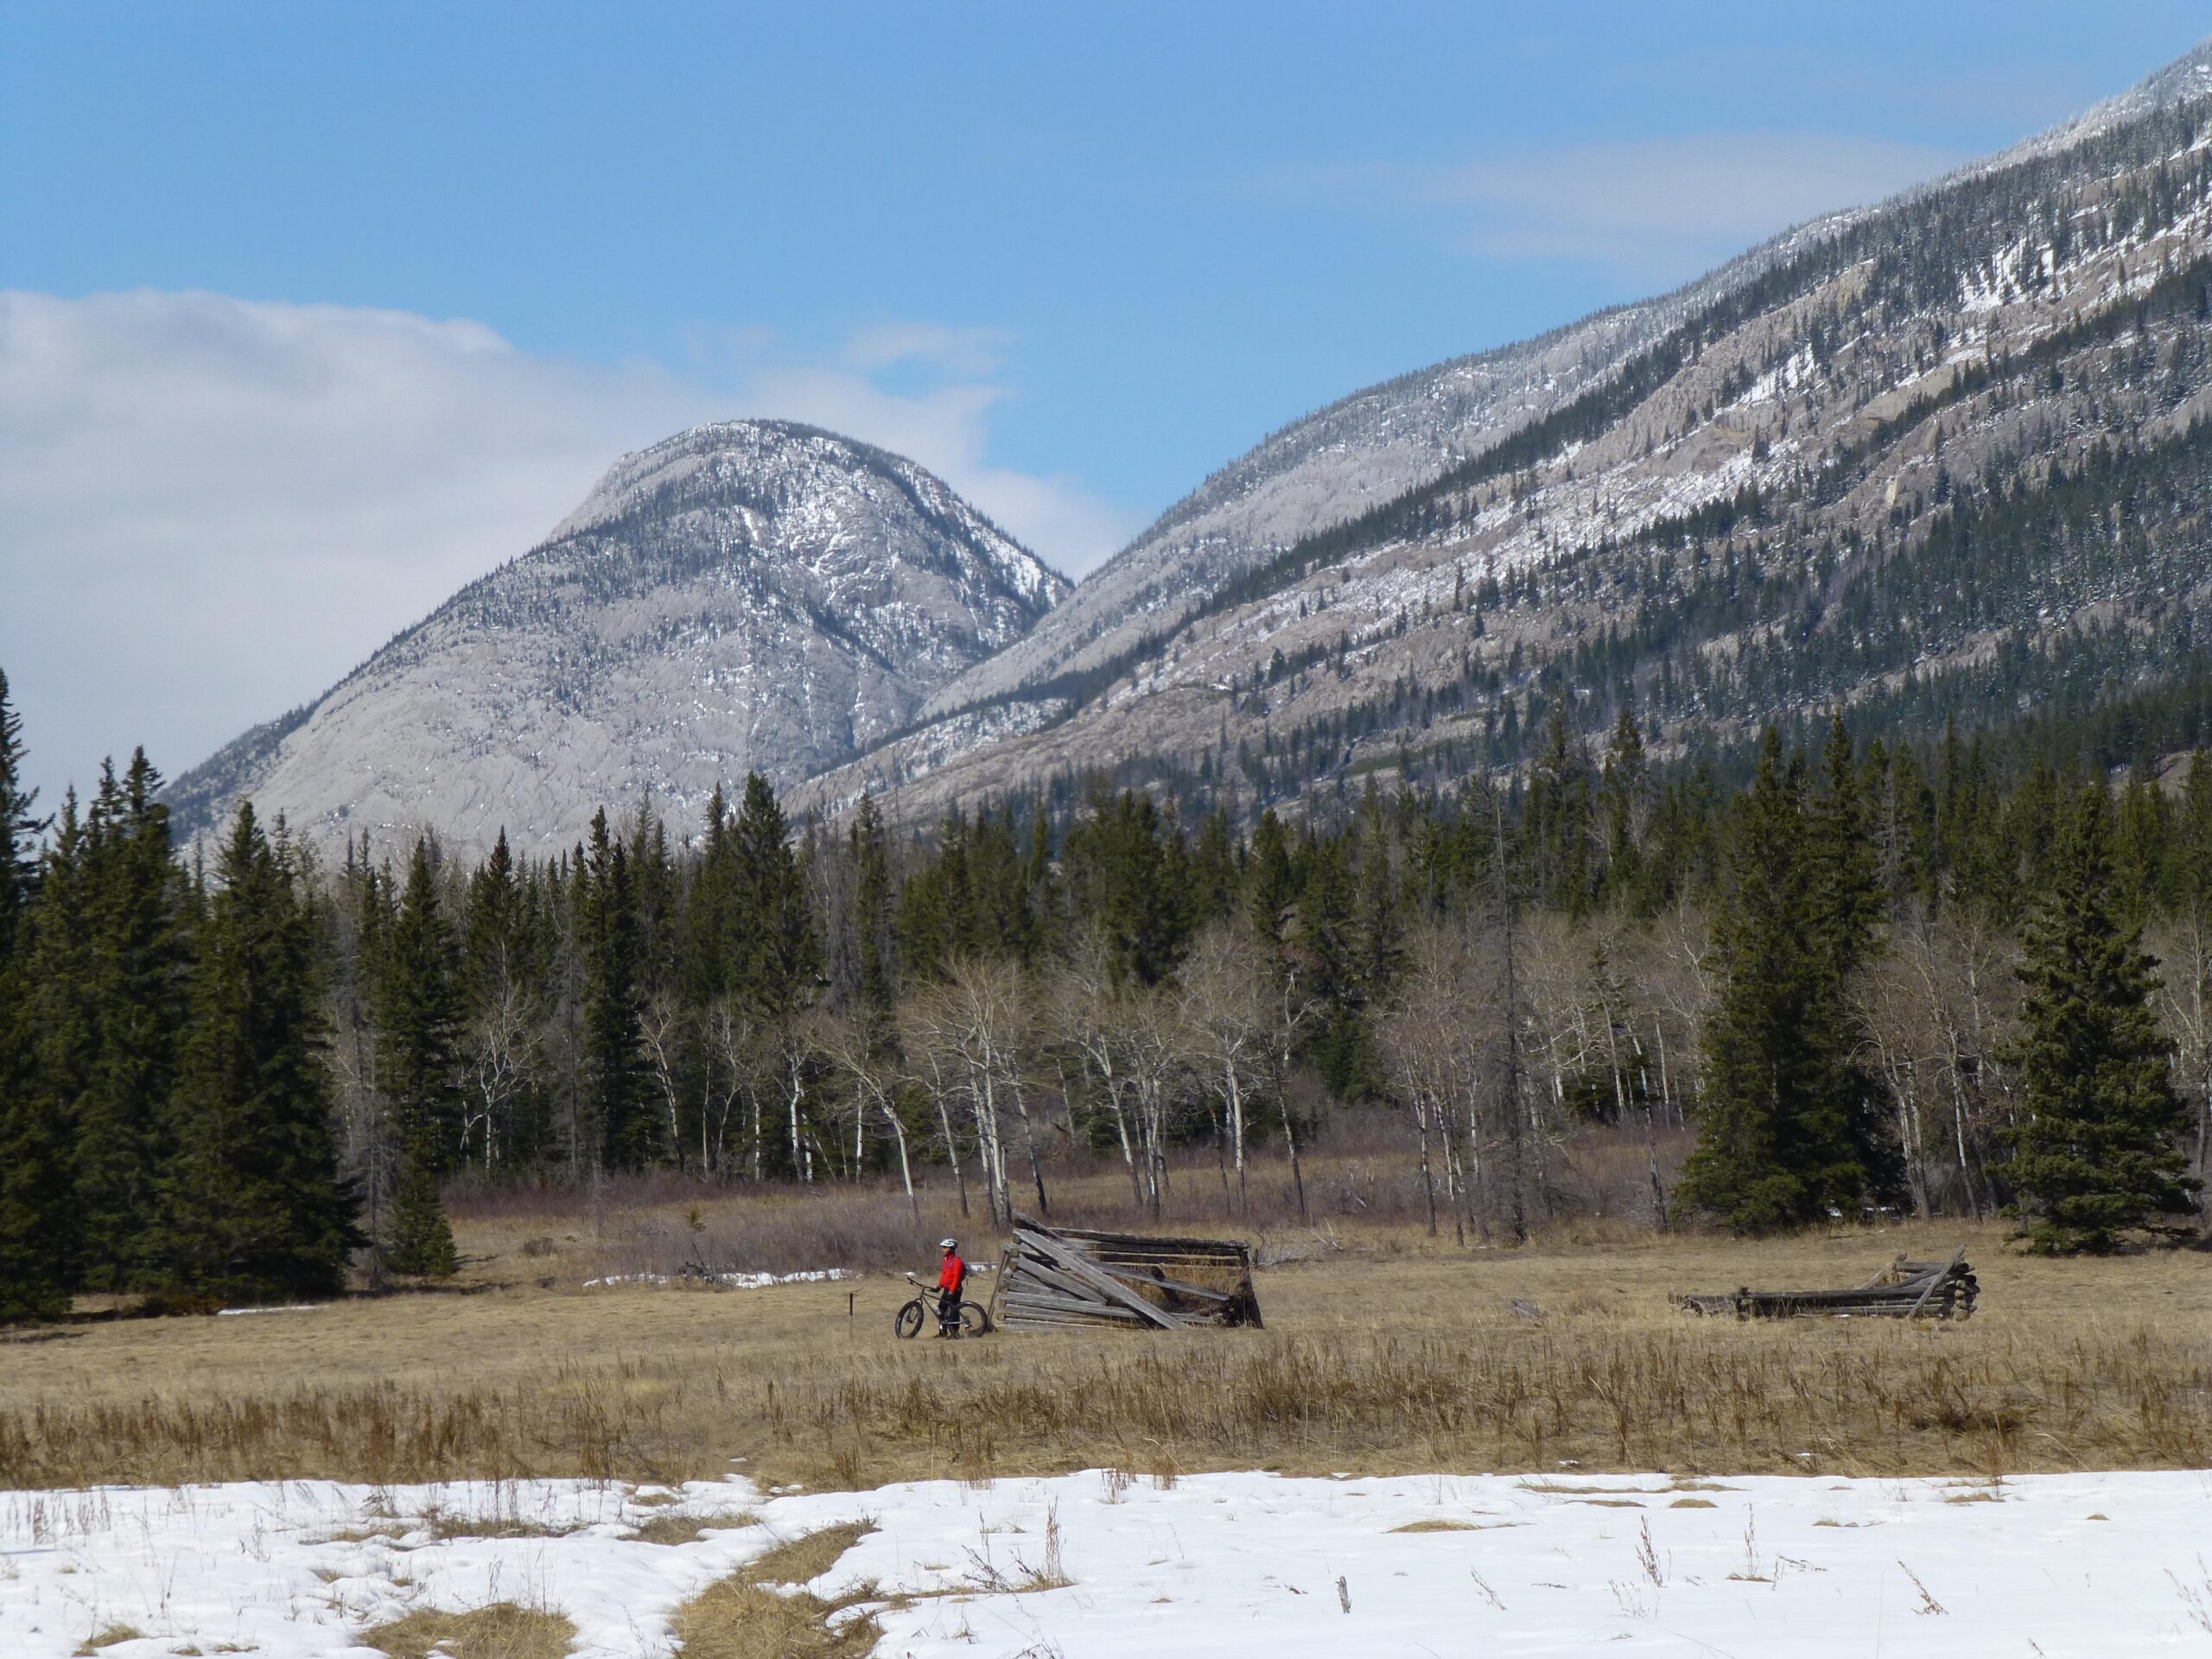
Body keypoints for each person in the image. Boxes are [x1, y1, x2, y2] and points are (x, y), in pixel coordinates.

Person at [934, 1237, 966, 1336]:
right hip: (947, 1289)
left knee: (954, 1310)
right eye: (943, 1247)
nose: (943, 1249)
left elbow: (957, 1277)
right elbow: (945, 1275)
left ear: (951, 1249)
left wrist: (952, 1290)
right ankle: (942, 1332)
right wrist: (939, 1285)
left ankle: (955, 1332)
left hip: (955, 1289)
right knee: (940, 1310)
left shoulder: (957, 1261)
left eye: (945, 1247)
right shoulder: (946, 1261)